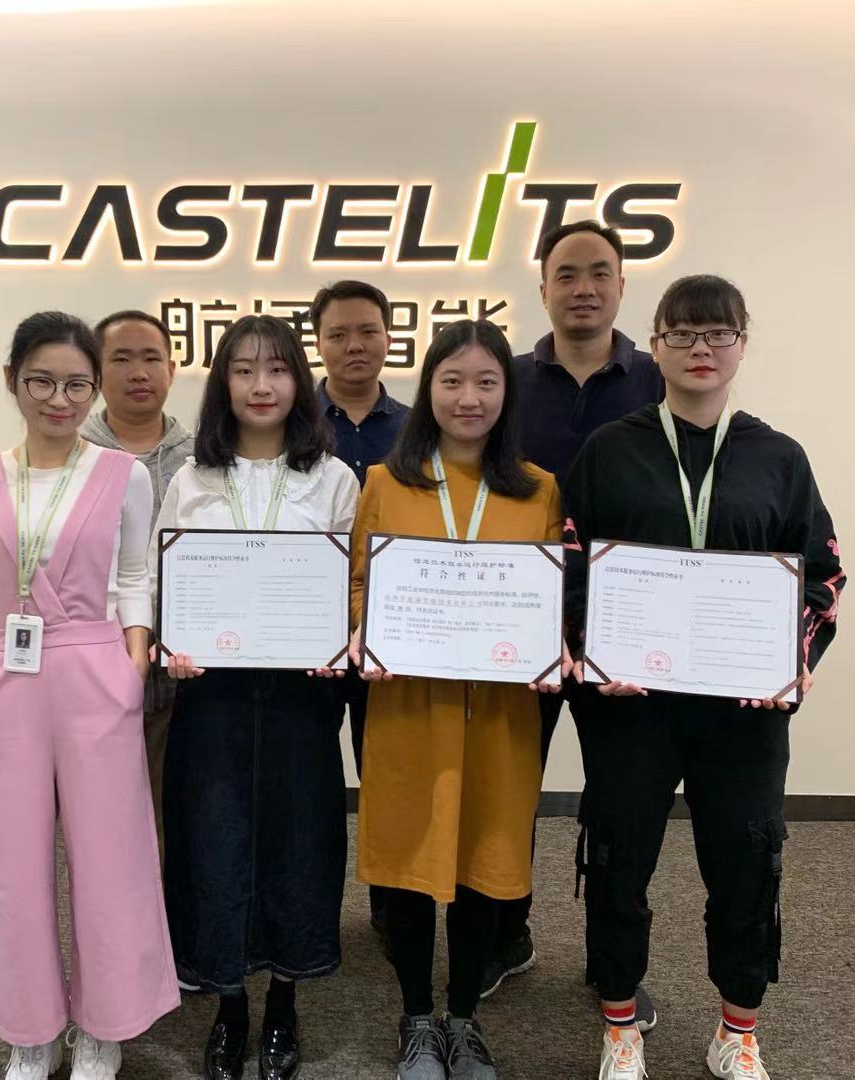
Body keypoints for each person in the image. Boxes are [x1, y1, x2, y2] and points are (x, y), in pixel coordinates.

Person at [564, 275, 846, 1080]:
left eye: (717, 334)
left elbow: (823, 576)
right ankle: (620, 1024)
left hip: (743, 710)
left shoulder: (779, 457)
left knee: (746, 865)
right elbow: (569, 563)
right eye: (682, 333)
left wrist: (792, 659)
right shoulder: (609, 449)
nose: (700, 349)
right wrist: (591, 649)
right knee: (618, 860)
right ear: (654, 347)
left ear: (742, 347)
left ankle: (738, 1029)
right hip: (632, 707)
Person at [0, 311, 180, 1080]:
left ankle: (103, 1027)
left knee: (111, 855)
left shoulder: (124, 475)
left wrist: (133, 663)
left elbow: (136, 577)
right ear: (11, 380)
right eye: (42, 382)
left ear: (95, 387)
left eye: (77, 384)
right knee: (10, 861)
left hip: (93, 668)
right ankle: (30, 1029)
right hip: (7, 675)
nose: (60, 399)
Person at [348, 319, 566, 1080]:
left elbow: (547, 592)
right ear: (428, 390)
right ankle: (416, 1017)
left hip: (500, 711)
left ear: (507, 393)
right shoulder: (386, 482)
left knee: (484, 858)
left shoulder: (537, 488)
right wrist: (364, 633)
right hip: (410, 706)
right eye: (451, 381)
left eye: (485, 382)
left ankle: (465, 1019)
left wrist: (549, 648)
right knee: (410, 859)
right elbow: (360, 582)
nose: (468, 398)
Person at [153, 314, 359, 1080]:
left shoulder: (334, 479)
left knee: (297, 843)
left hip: (302, 696)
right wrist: (171, 643)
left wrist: (339, 640)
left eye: (276, 369)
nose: (261, 385)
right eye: (244, 370)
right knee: (214, 841)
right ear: (223, 383)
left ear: (299, 381)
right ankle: (229, 1004)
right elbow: (164, 579)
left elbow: (351, 585)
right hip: (213, 696)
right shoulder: (190, 479)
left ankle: (283, 1002)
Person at [485, 220, 666, 1026]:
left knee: (621, 798)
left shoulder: (659, 380)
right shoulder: (508, 382)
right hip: (518, 619)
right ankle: (505, 935)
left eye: (599, 272)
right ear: (544, 290)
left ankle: (610, 962)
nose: (583, 288)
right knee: (507, 788)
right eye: (567, 274)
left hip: (626, 624)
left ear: (622, 286)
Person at [310, 279, 409, 941]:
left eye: (367, 331)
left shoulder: (418, 429)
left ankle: (390, 907)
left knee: (389, 773)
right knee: (312, 777)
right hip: (306, 635)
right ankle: (312, 906)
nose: (354, 345)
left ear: (389, 338)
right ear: (318, 343)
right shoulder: (290, 425)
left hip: (389, 635)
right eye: (339, 334)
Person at [80, 309, 194, 849]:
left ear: (172, 368)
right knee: (103, 809)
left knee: (180, 802)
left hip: (183, 663)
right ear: (97, 371)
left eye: (151, 358)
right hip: (96, 657)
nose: (139, 372)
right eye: (121, 358)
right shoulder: (70, 455)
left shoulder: (205, 458)